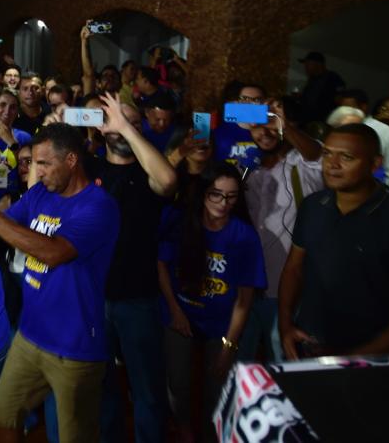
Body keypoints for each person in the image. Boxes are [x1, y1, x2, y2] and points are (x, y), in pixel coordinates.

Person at [0, 123, 120, 443]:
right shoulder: (40, 194)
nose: (38, 171)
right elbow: (5, 226)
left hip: (74, 349)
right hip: (30, 336)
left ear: (71, 160)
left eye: (44, 163)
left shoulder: (98, 206)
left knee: (74, 437)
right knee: (3, 414)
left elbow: (54, 252)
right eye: (34, 163)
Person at [278, 124, 389, 359]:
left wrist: (356, 360)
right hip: (308, 347)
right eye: (327, 153)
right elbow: (294, 268)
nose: (332, 164)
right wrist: (285, 325)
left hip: (371, 359)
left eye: (347, 157)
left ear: (375, 163)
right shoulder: (313, 206)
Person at [157, 163, 265, 442]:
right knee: (178, 383)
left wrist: (229, 346)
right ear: (203, 194)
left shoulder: (244, 236)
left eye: (231, 196)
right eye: (216, 194)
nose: (223, 203)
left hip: (221, 324)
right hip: (180, 315)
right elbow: (161, 265)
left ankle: (210, 434)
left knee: (217, 388)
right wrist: (175, 311)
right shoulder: (181, 223)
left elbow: (244, 299)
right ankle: (184, 428)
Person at [93, 92, 177, 443]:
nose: (122, 125)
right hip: (95, 298)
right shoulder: (90, 168)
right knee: (102, 389)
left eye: (132, 122)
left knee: (148, 391)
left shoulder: (148, 172)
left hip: (138, 299)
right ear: (101, 129)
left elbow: (168, 181)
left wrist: (126, 127)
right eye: (114, 120)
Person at [238, 102, 322, 362]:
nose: (264, 132)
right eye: (256, 126)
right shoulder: (248, 169)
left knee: (285, 364)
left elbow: (317, 154)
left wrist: (285, 126)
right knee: (242, 367)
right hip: (248, 290)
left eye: (271, 125)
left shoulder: (302, 164)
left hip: (289, 293)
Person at [337, 89, 389, 202]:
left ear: (363, 107)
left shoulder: (384, 131)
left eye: (350, 108)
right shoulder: (337, 128)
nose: (344, 112)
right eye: (341, 108)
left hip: (372, 198)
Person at [297, 52, 345, 126]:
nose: (305, 67)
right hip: (307, 122)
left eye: (308, 64)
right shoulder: (312, 79)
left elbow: (339, 100)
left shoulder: (333, 78)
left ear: (318, 64)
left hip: (321, 124)